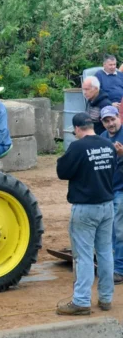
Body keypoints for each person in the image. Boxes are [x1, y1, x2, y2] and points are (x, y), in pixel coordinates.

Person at [56, 112, 116, 315]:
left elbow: (62, 172)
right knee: (105, 252)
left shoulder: (78, 146)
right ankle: (106, 298)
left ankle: (81, 301)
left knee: (83, 255)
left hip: (85, 208)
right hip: (107, 205)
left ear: (77, 129)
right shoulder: (108, 144)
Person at [100, 105, 123, 285]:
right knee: (110, 231)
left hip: (120, 190)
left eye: (112, 119)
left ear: (118, 117)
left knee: (118, 231)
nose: (110, 124)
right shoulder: (102, 138)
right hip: (109, 190)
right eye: (106, 121)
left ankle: (119, 270)